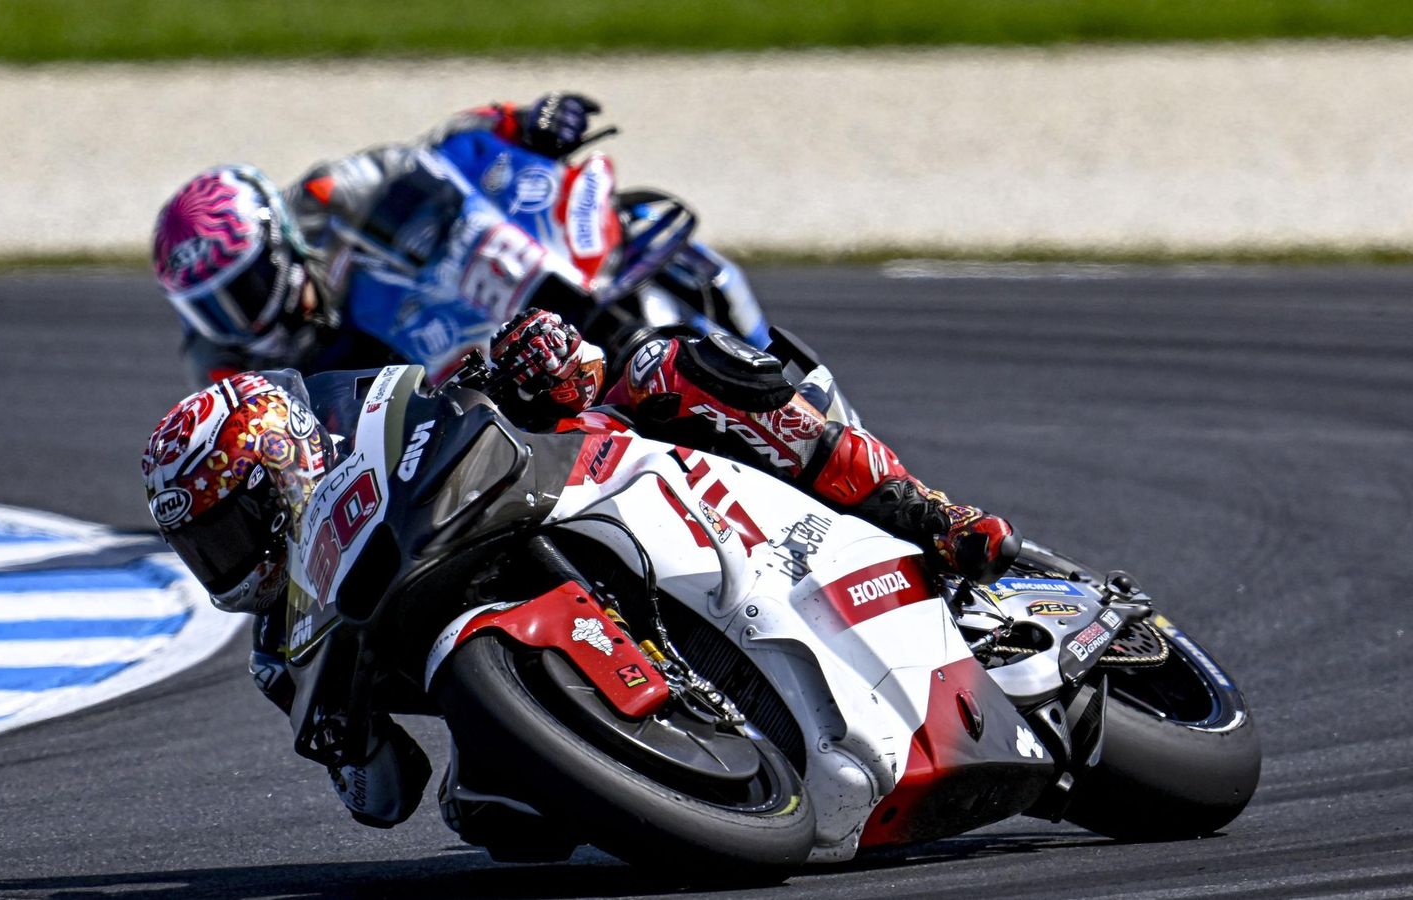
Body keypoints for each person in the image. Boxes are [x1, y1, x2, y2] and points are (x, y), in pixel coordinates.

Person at [141, 315, 1021, 832]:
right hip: (540, 698)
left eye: (232, 526)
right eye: (205, 548)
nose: (227, 559)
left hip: (608, 484)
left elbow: (548, 380)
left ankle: (928, 512)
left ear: (285, 466)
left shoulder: (383, 447)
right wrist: (343, 742)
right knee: (486, 825)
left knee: (662, 368)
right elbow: (385, 800)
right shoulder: (282, 648)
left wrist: (534, 359)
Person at [151, 92, 605, 388]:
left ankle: (588, 303)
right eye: (208, 307)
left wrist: (518, 124)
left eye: (241, 290)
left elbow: (430, 157)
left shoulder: (322, 199)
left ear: (276, 248)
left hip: (443, 306)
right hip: (386, 413)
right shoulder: (218, 363)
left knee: (451, 214)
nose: (238, 320)